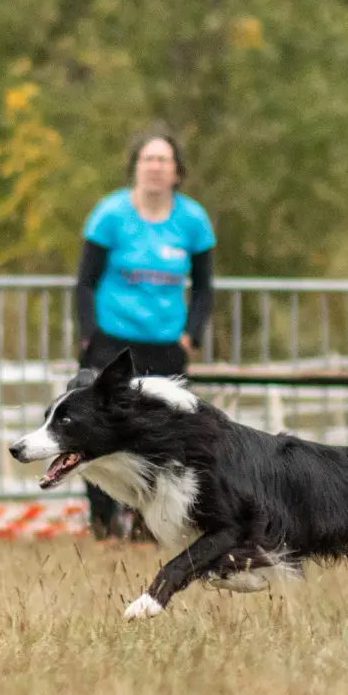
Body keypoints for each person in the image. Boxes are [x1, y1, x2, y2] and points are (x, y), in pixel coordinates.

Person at [74, 131, 215, 539]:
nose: (155, 167)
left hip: (166, 344)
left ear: (176, 172)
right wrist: (88, 335)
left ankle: (144, 526)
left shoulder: (192, 220)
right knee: (92, 428)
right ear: (136, 166)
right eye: (148, 159)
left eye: (163, 160)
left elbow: (205, 286)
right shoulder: (110, 215)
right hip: (112, 339)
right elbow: (85, 281)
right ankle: (102, 524)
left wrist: (191, 335)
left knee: (160, 435)